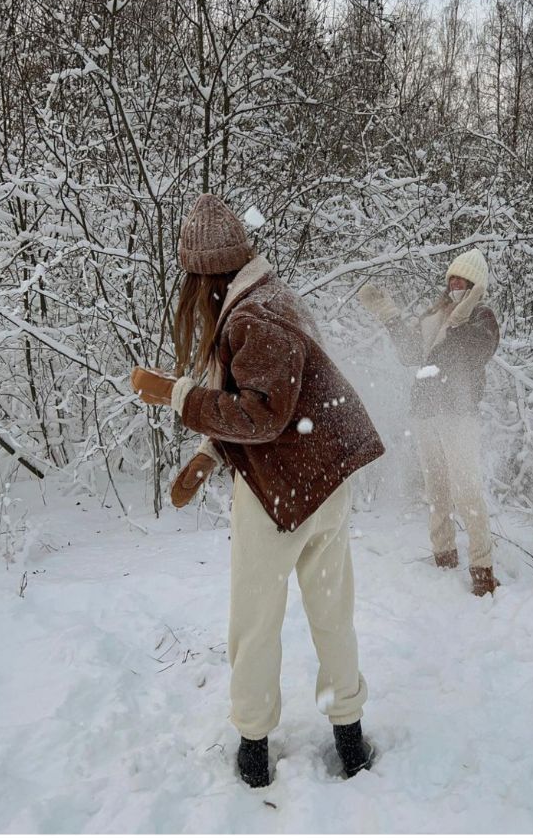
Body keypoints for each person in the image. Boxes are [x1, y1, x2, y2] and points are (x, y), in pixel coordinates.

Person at [130, 194, 384, 788]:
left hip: (279, 496)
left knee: (254, 622)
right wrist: (207, 455)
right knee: (332, 613)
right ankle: (350, 739)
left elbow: (262, 415)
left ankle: (252, 750)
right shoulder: (272, 299)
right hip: (324, 482)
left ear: (204, 274)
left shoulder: (252, 317)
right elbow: (265, 401)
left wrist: (177, 395)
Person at [357, 248, 502, 596]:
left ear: (475, 286)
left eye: (463, 281)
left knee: (466, 491)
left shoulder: (482, 317)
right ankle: (443, 554)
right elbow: (411, 354)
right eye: (451, 278)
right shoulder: (434, 315)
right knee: (436, 488)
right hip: (425, 413)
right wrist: (389, 316)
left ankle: (482, 569)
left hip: (458, 414)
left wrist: (460, 318)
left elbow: (475, 351)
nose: (454, 284)